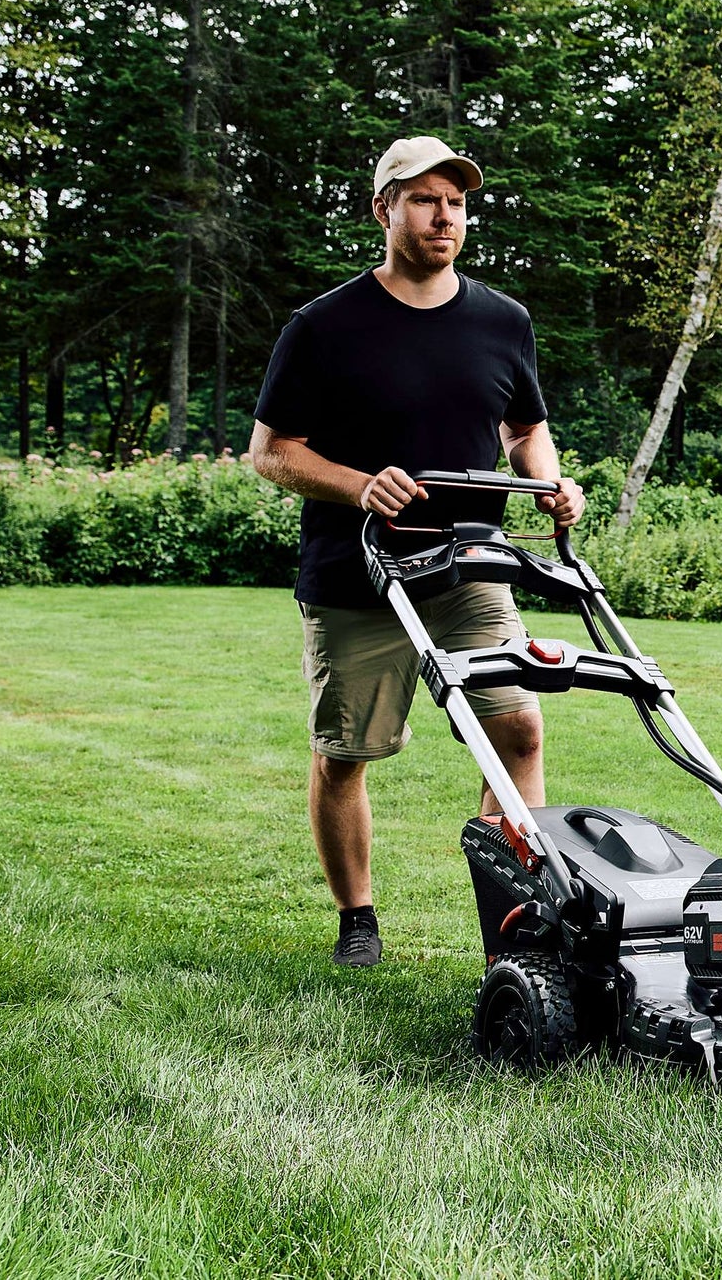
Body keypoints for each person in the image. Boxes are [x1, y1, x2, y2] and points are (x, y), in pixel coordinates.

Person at [249, 135, 585, 968]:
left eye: (456, 202)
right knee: (345, 755)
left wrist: (547, 481)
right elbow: (272, 451)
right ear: (384, 209)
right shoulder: (323, 325)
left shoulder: (502, 320)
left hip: (471, 565)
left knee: (518, 730)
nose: (445, 217)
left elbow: (525, 427)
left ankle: (514, 931)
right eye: (425, 199)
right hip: (359, 573)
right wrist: (361, 484)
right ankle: (357, 918)